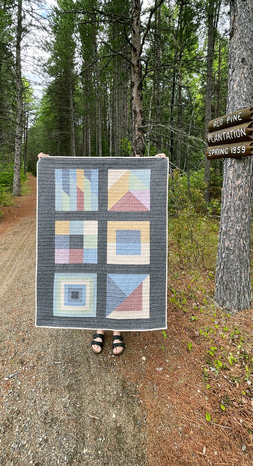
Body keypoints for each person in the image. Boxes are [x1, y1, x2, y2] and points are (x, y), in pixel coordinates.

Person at [37, 152, 166, 356]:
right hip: (95, 236)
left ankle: (117, 329)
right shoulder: (100, 179)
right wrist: (49, 161)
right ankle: (99, 328)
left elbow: (146, 182)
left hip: (123, 234)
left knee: (123, 272)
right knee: (95, 273)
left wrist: (158, 161)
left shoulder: (129, 176)